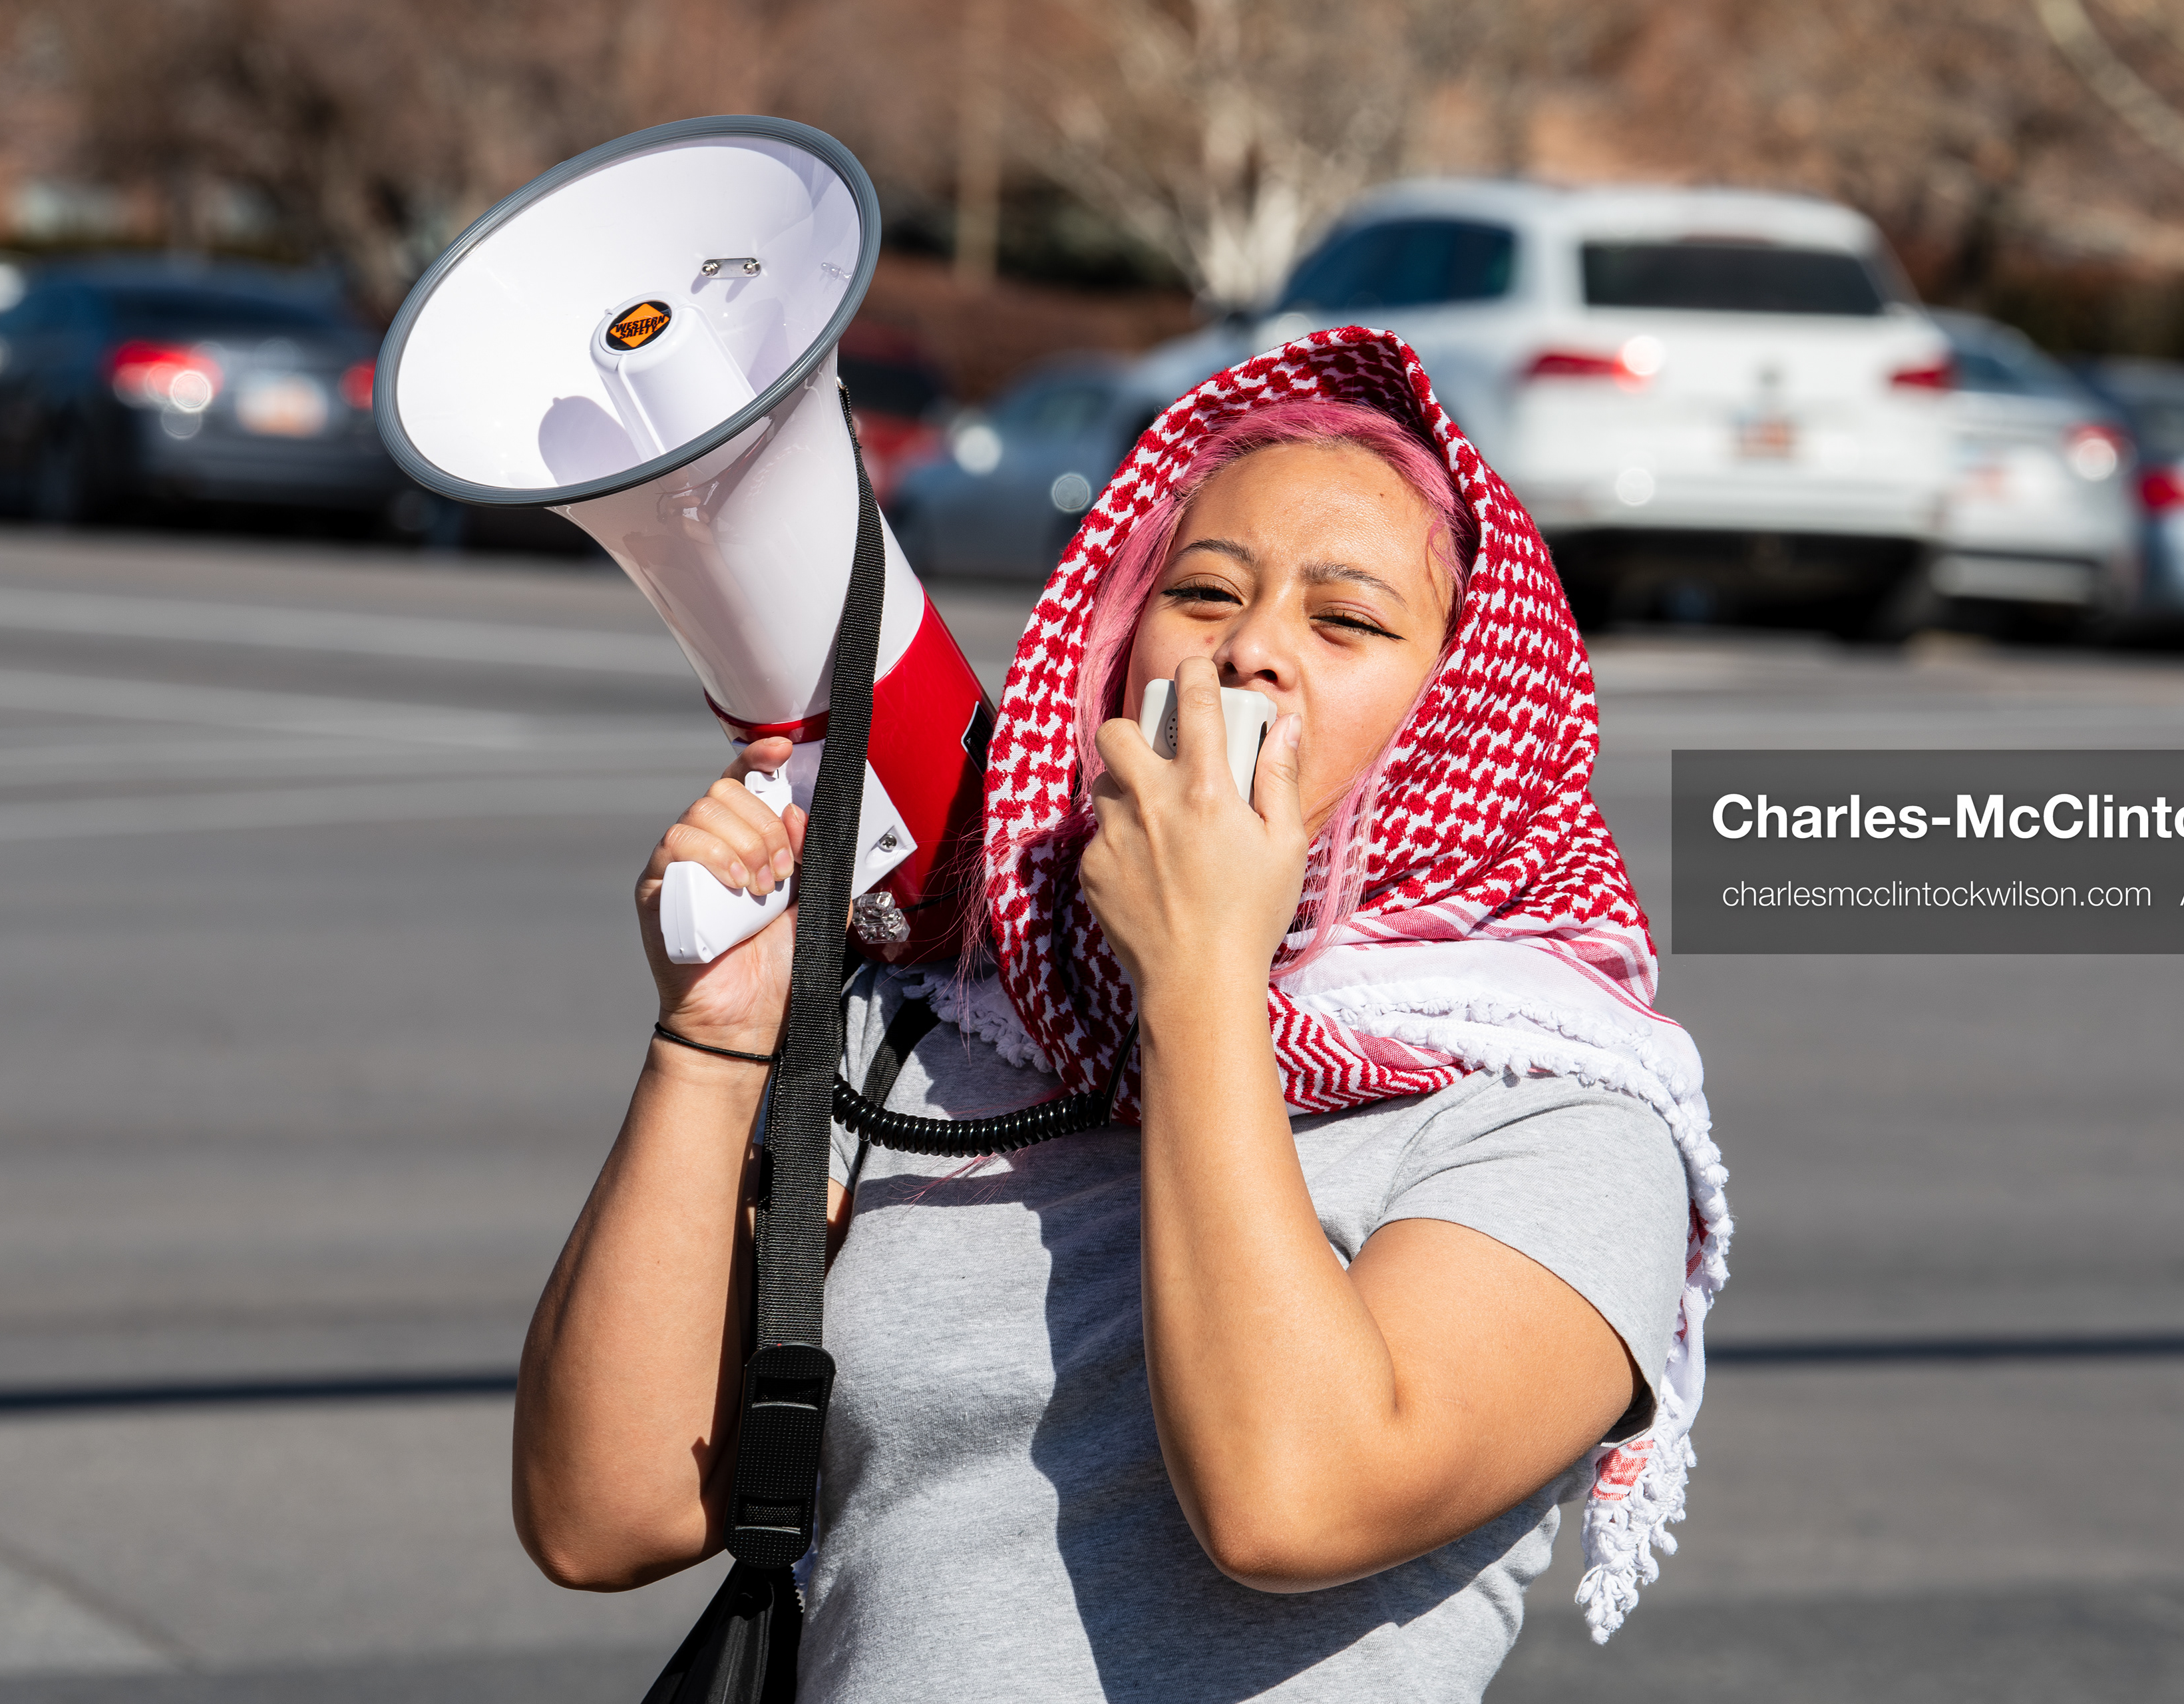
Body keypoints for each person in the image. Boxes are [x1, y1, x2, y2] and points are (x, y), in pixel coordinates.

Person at [511, 329, 1730, 1701]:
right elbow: (604, 1512)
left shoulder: (1559, 1112)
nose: (1252, 649)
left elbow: (1293, 1501)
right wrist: (716, 1037)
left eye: (1347, 621)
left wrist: (1203, 975)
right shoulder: (956, 1021)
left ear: (1458, 708)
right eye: (1204, 592)